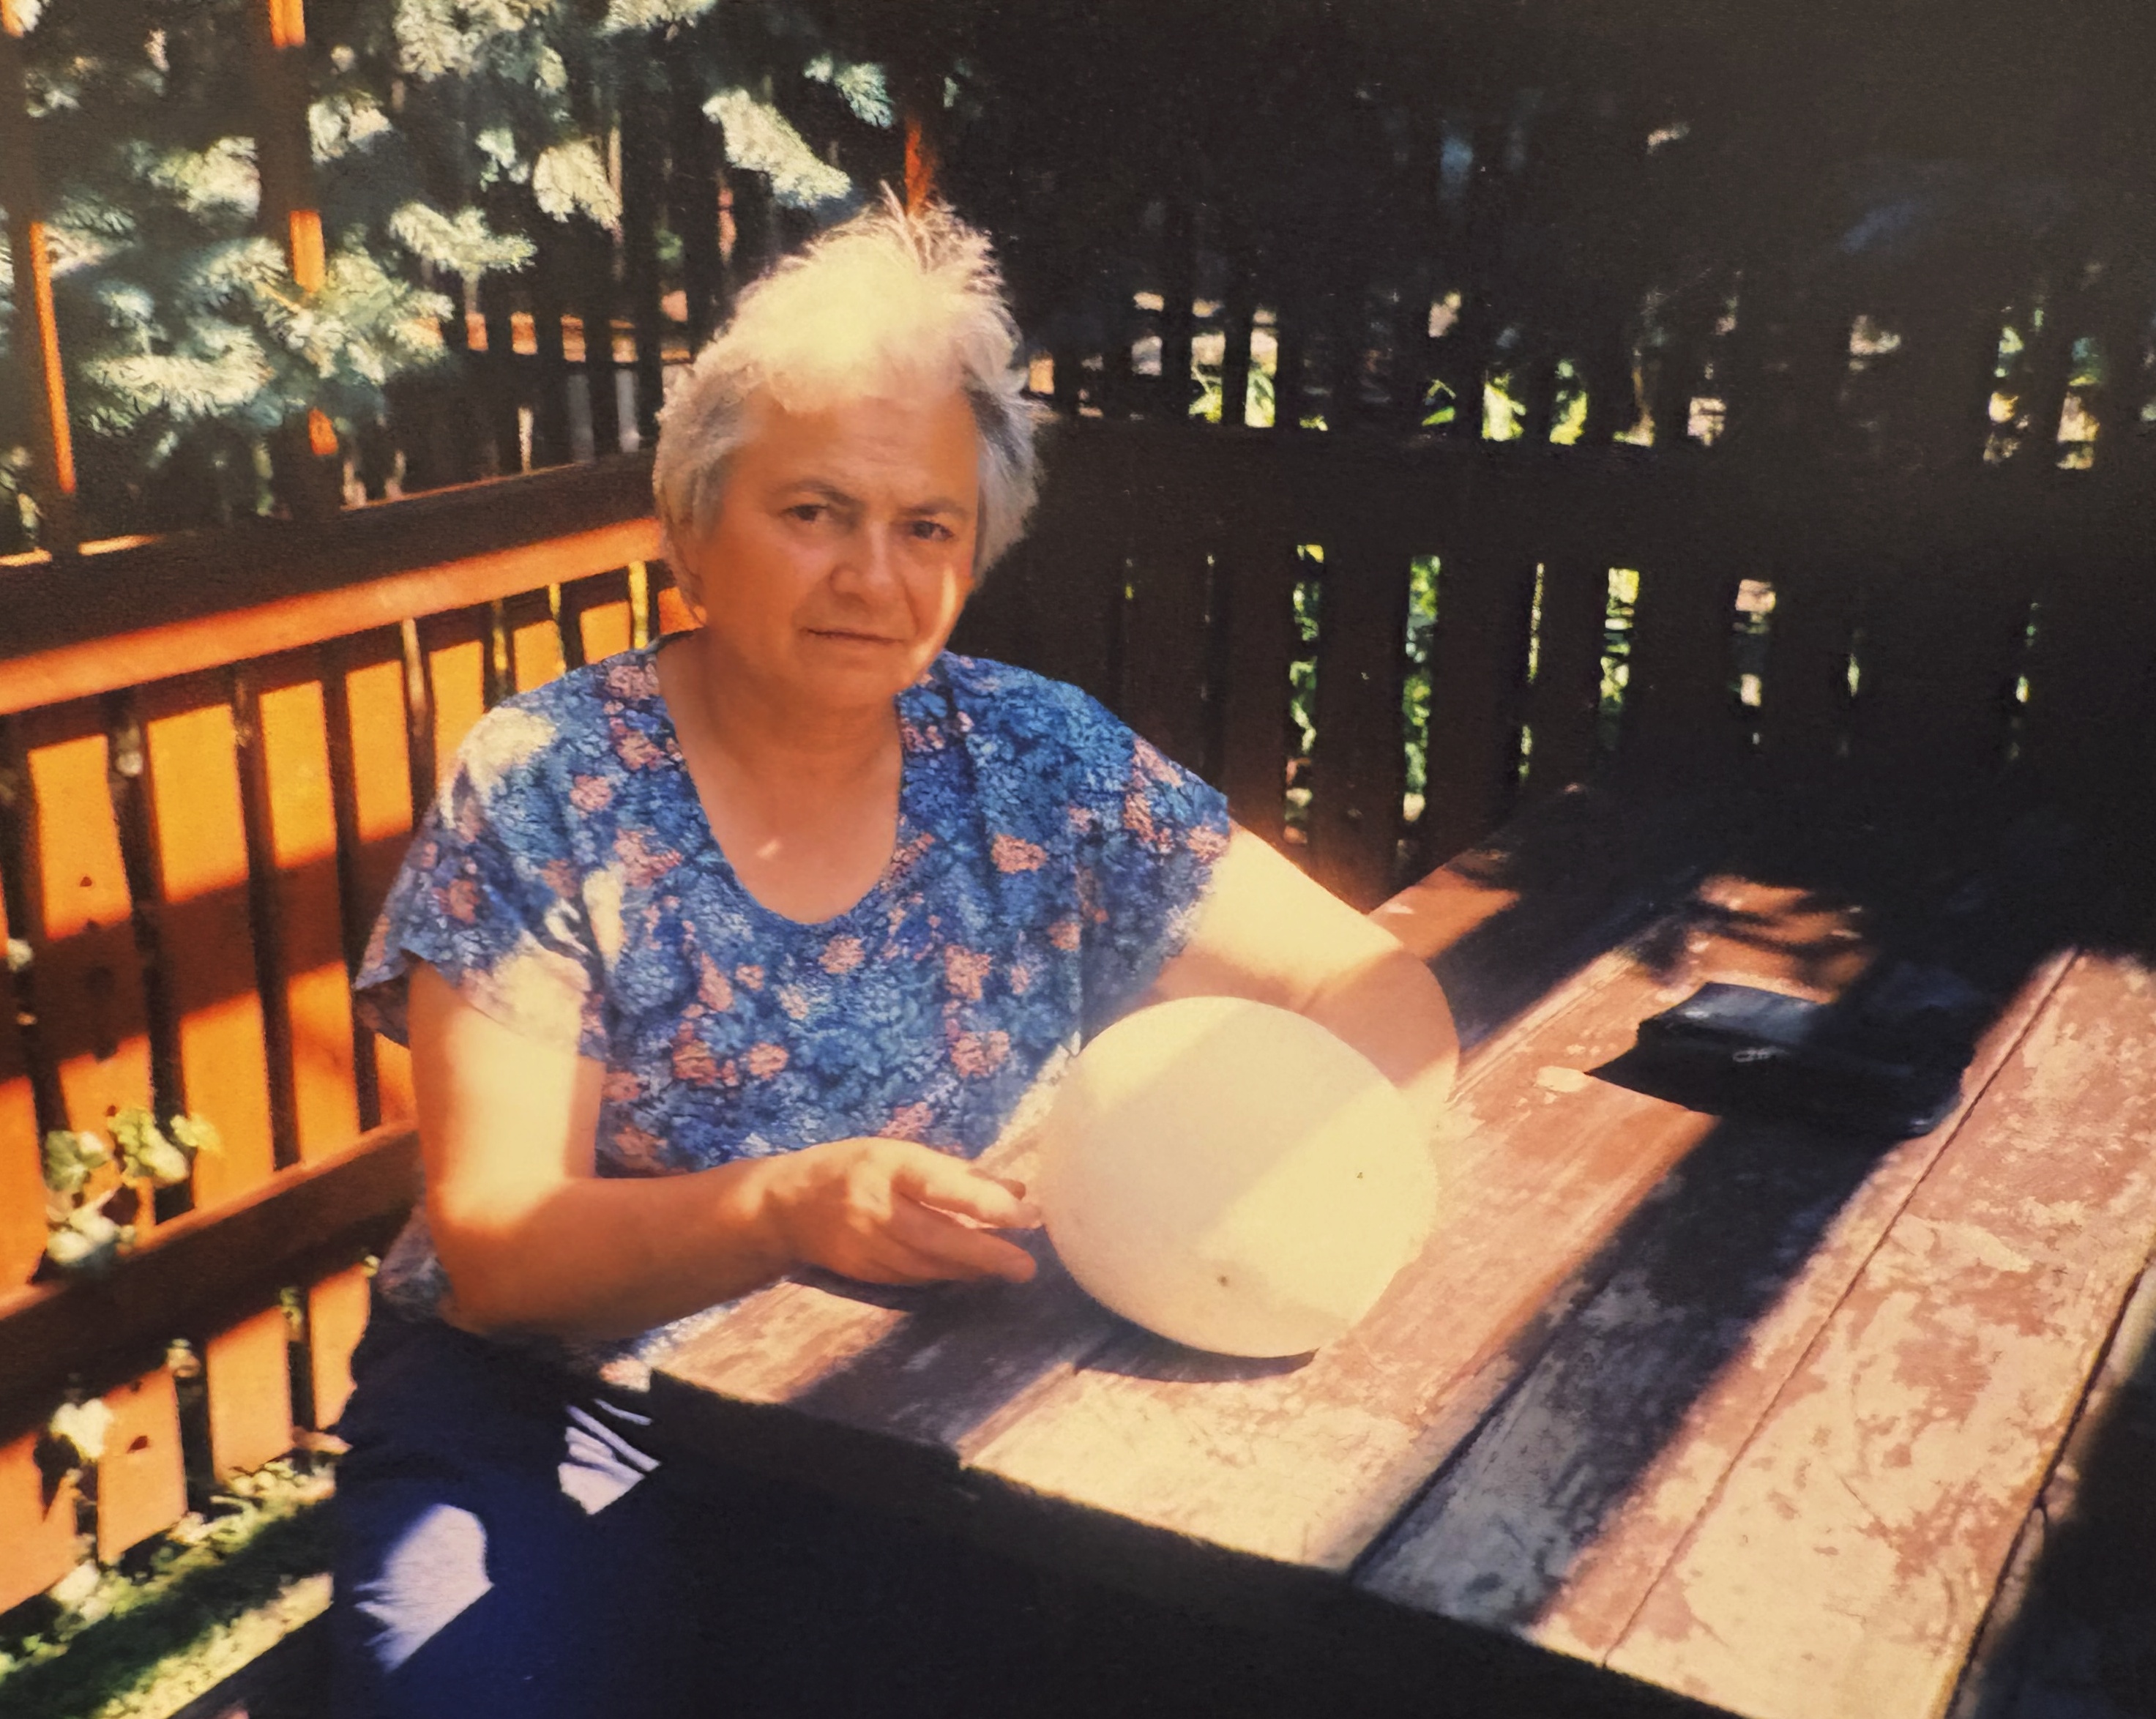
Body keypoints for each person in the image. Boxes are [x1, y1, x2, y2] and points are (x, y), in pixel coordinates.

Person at [328, 195, 1458, 1718]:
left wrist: (1358, 1190)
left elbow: (1362, 984)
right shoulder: (552, 783)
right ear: (691, 531)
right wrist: (790, 1206)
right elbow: (501, 1245)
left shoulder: (1035, 756)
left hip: (911, 1415)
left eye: (926, 525)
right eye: (813, 512)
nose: (874, 574)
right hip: (560, 1413)